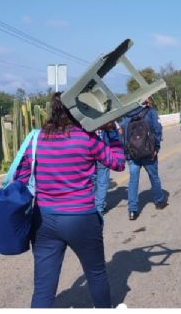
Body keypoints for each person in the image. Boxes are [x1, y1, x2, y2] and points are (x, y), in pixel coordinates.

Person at [11, 92, 125, 308]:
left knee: (43, 287)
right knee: (96, 274)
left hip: (43, 219)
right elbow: (118, 163)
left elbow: (20, 178)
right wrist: (112, 134)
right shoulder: (87, 139)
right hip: (80, 218)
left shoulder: (36, 139)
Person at [121, 97, 168, 219]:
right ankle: (159, 202)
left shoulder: (126, 114)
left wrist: (126, 153)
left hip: (132, 154)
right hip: (148, 152)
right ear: (146, 102)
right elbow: (158, 130)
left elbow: (123, 135)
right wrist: (156, 148)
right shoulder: (150, 112)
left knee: (133, 181)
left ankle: (132, 210)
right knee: (154, 177)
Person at [92, 121, 121, 215]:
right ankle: (99, 207)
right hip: (103, 152)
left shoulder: (85, 117)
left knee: (93, 179)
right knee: (102, 181)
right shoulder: (107, 118)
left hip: (90, 151)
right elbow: (118, 133)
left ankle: (95, 204)